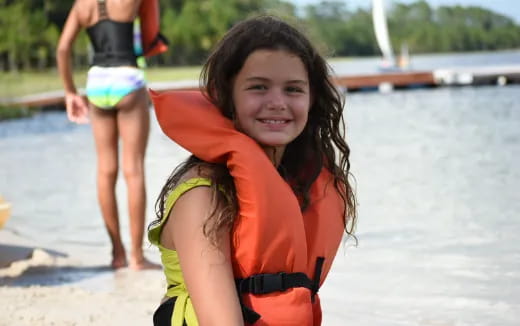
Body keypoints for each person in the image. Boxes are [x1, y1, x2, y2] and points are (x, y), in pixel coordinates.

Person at [148, 15, 357, 325]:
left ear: (312, 99)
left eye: (293, 89)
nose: (277, 102)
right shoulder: (202, 196)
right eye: (258, 87)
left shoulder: (298, 185)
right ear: (226, 94)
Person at [56, 0, 159, 270]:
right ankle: (137, 257)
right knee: (133, 170)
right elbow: (151, 35)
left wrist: (70, 92)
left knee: (105, 171)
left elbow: (63, 48)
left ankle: (117, 255)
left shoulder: (82, 5)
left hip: (97, 83)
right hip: (128, 78)